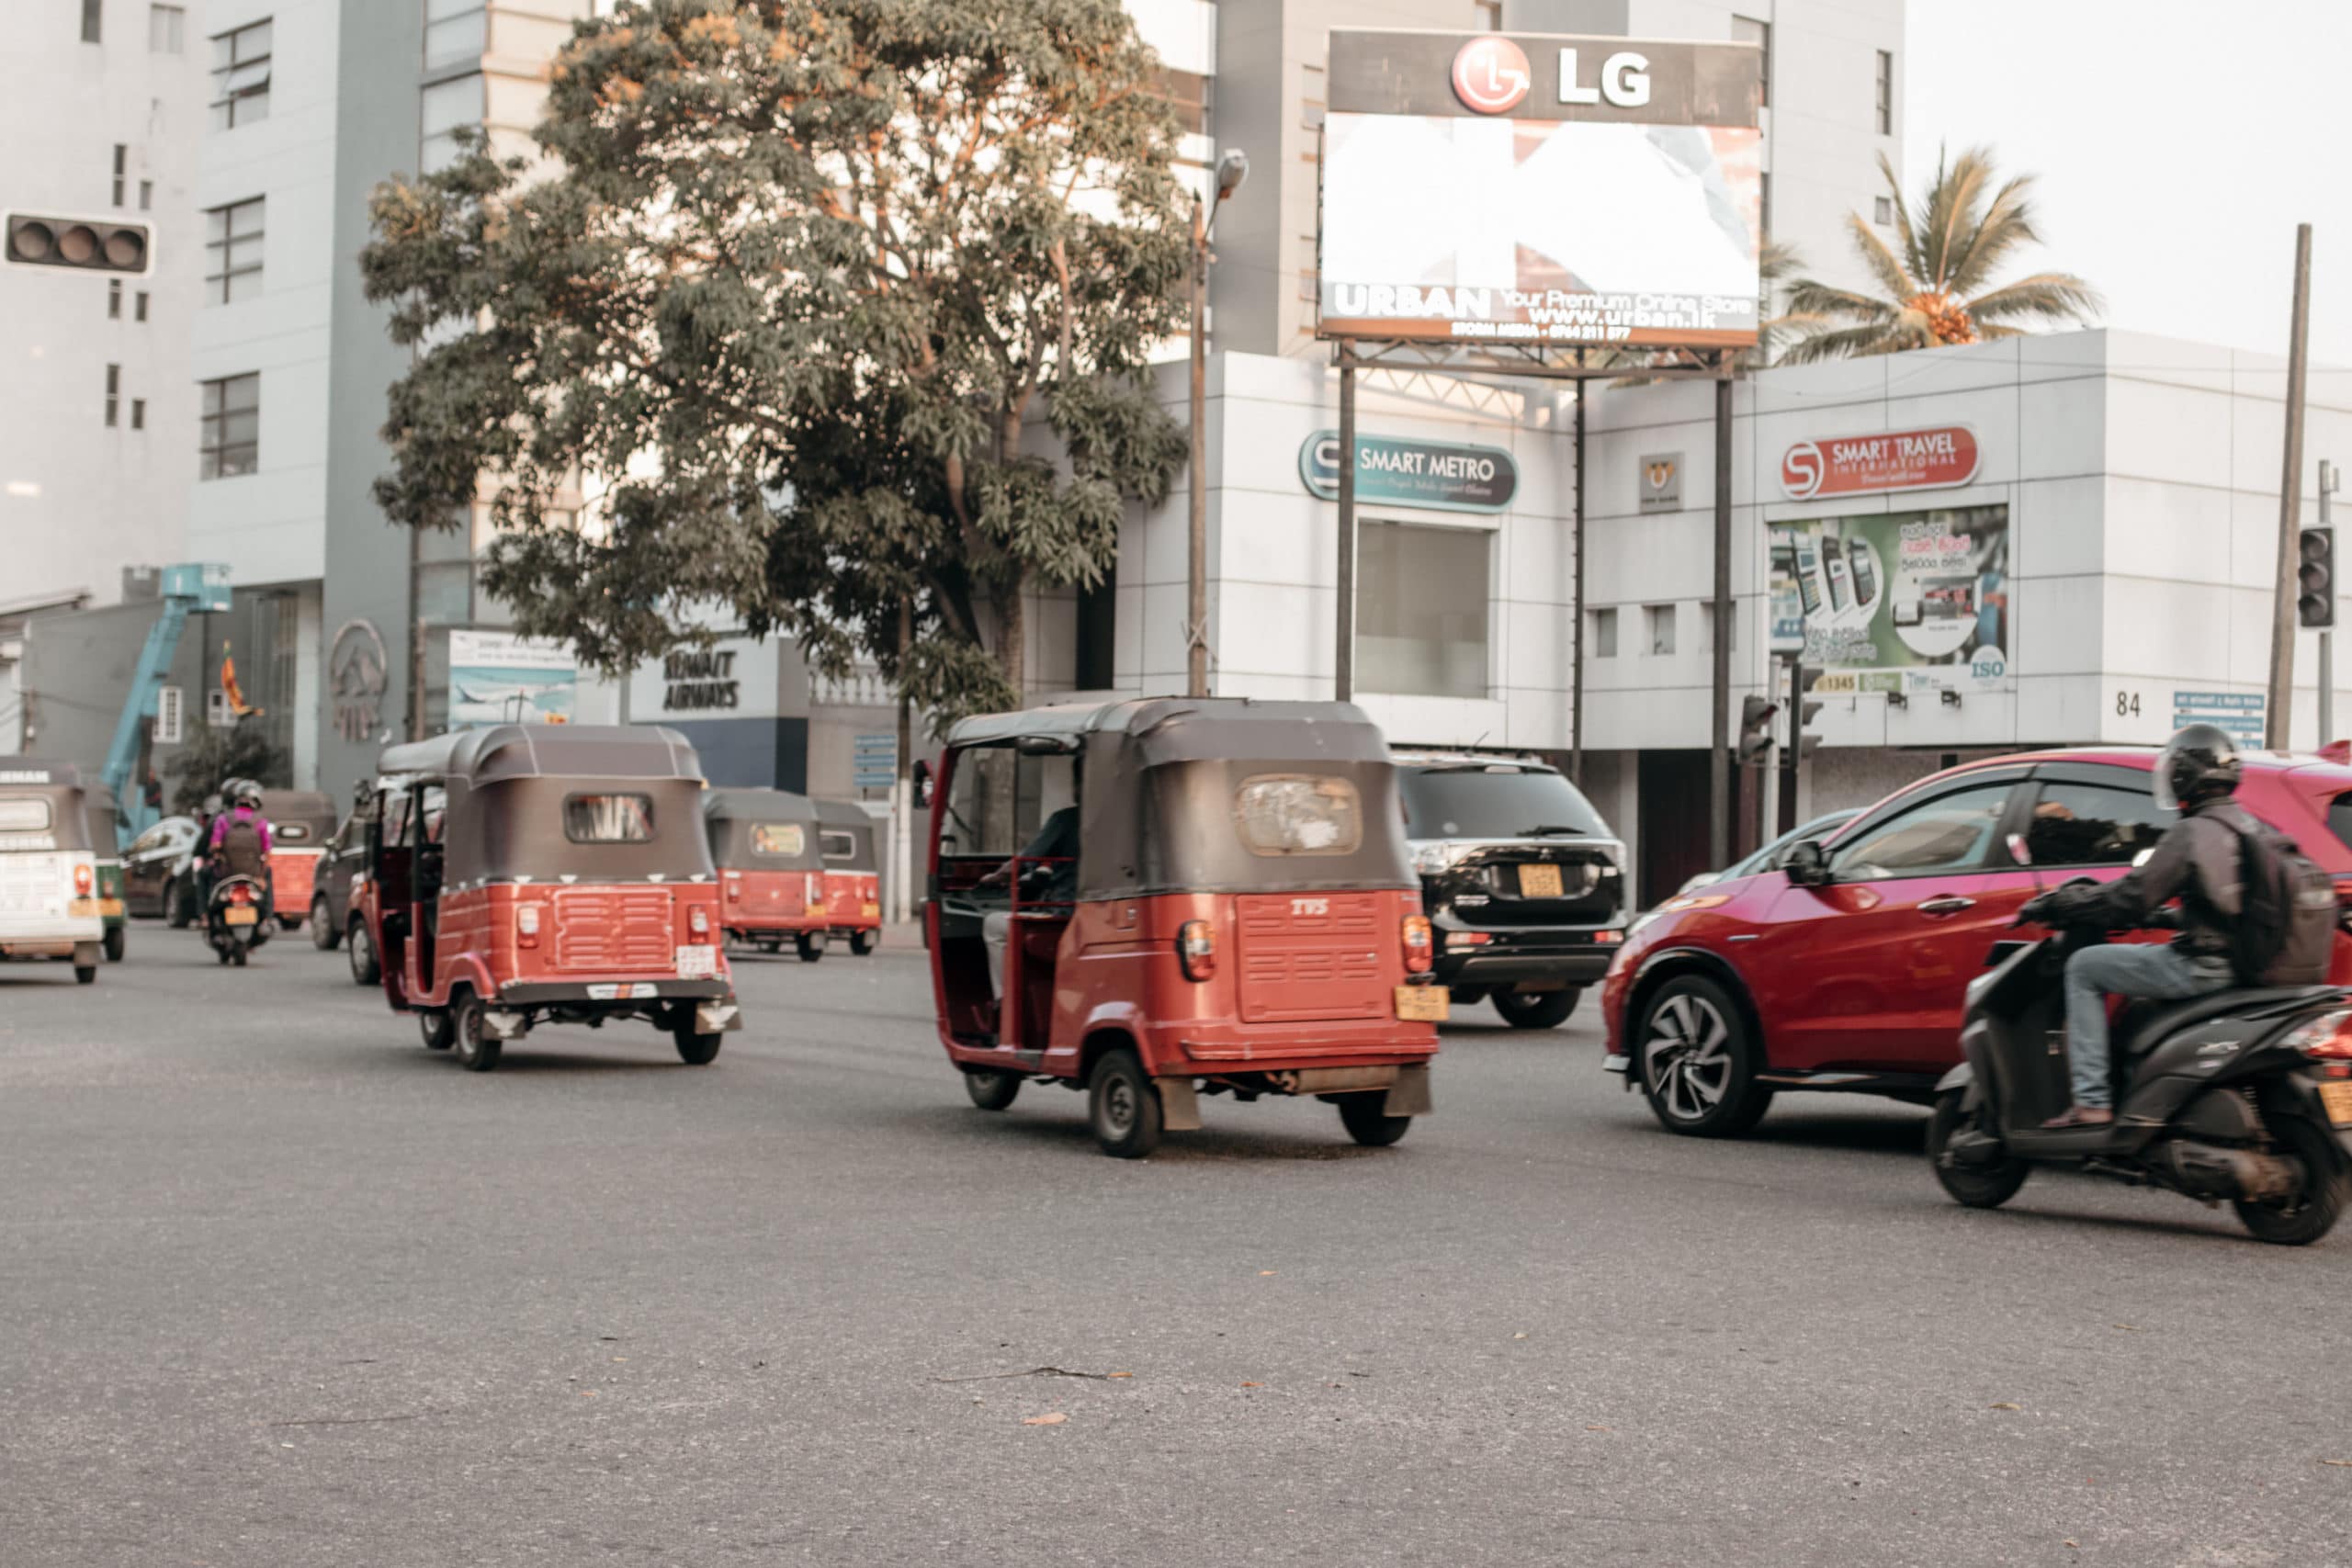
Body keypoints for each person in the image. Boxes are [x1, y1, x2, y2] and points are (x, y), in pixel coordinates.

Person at [2026, 723, 2254, 1128]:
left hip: (2206, 965)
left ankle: (2092, 1102)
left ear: (2183, 776)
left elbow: (2129, 898)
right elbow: (2227, 905)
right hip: (2245, 961)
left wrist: (2064, 901)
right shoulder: (2250, 827)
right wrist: (2168, 917)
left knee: (2084, 967)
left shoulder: (2193, 833)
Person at [980, 804, 1079, 1004]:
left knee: (993, 924)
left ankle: (1004, 1002)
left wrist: (996, 877)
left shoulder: (1066, 819)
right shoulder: (1123, 817)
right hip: (1100, 911)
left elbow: (1023, 861)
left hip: (1065, 914)